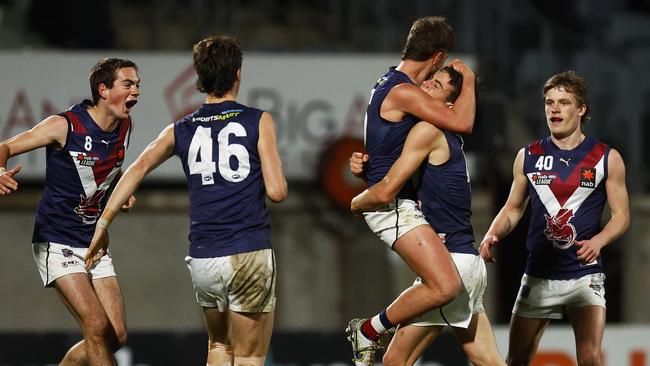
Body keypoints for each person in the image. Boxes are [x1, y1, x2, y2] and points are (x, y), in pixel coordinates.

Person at [83, 34, 287, 366]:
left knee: (219, 346)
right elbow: (278, 192)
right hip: (248, 250)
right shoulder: (258, 121)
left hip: (204, 258)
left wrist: (102, 224)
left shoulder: (181, 128)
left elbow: (137, 169)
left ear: (200, 78)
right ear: (237, 73)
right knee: (251, 355)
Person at [350, 66, 505, 366]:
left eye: (438, 85)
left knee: (395, 362)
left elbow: (387, 191)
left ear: (447, 106)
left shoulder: (427, 131)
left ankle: (369, 329)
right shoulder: (446, 138)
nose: (427, 85)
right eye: (429, 80)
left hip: (450, 266)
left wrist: (358, 202)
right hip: (468, 263)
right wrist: (365, 171)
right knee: (489, 361)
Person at [345, 15, 477, 366]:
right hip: (393, 207)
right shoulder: (404, 92)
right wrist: (472, 80)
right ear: (436, 57)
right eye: (441, 64)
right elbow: (464, 121)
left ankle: (373, 331)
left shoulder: (394, 84)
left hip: (395, 204)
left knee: (399, 360)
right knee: (446, 286)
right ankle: (369, 329)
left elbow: (386, 151)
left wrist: (364, 168)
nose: (437, 76)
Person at [479, 71, 630, 366]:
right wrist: (492, 233)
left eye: (563, 102)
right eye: (549, 102)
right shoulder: (529, 155)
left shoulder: (606, 158)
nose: (554, 109)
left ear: (581, 109)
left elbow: (622, 215)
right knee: (517, 360)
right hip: (538, 276)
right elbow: (512, 208)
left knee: (589, 358)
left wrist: (599, 241)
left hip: (584, 275)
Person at [0, 58, 140, 365]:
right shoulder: (64, 125)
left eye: (137, 85)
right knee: (97, 327)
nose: (136, 92)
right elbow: (5, 146)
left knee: (116, 334)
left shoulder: (125, 126)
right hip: (57, 240)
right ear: (103, 90)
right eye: (128, 85)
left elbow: (109, 169)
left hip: (93, 243)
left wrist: (120, 192)